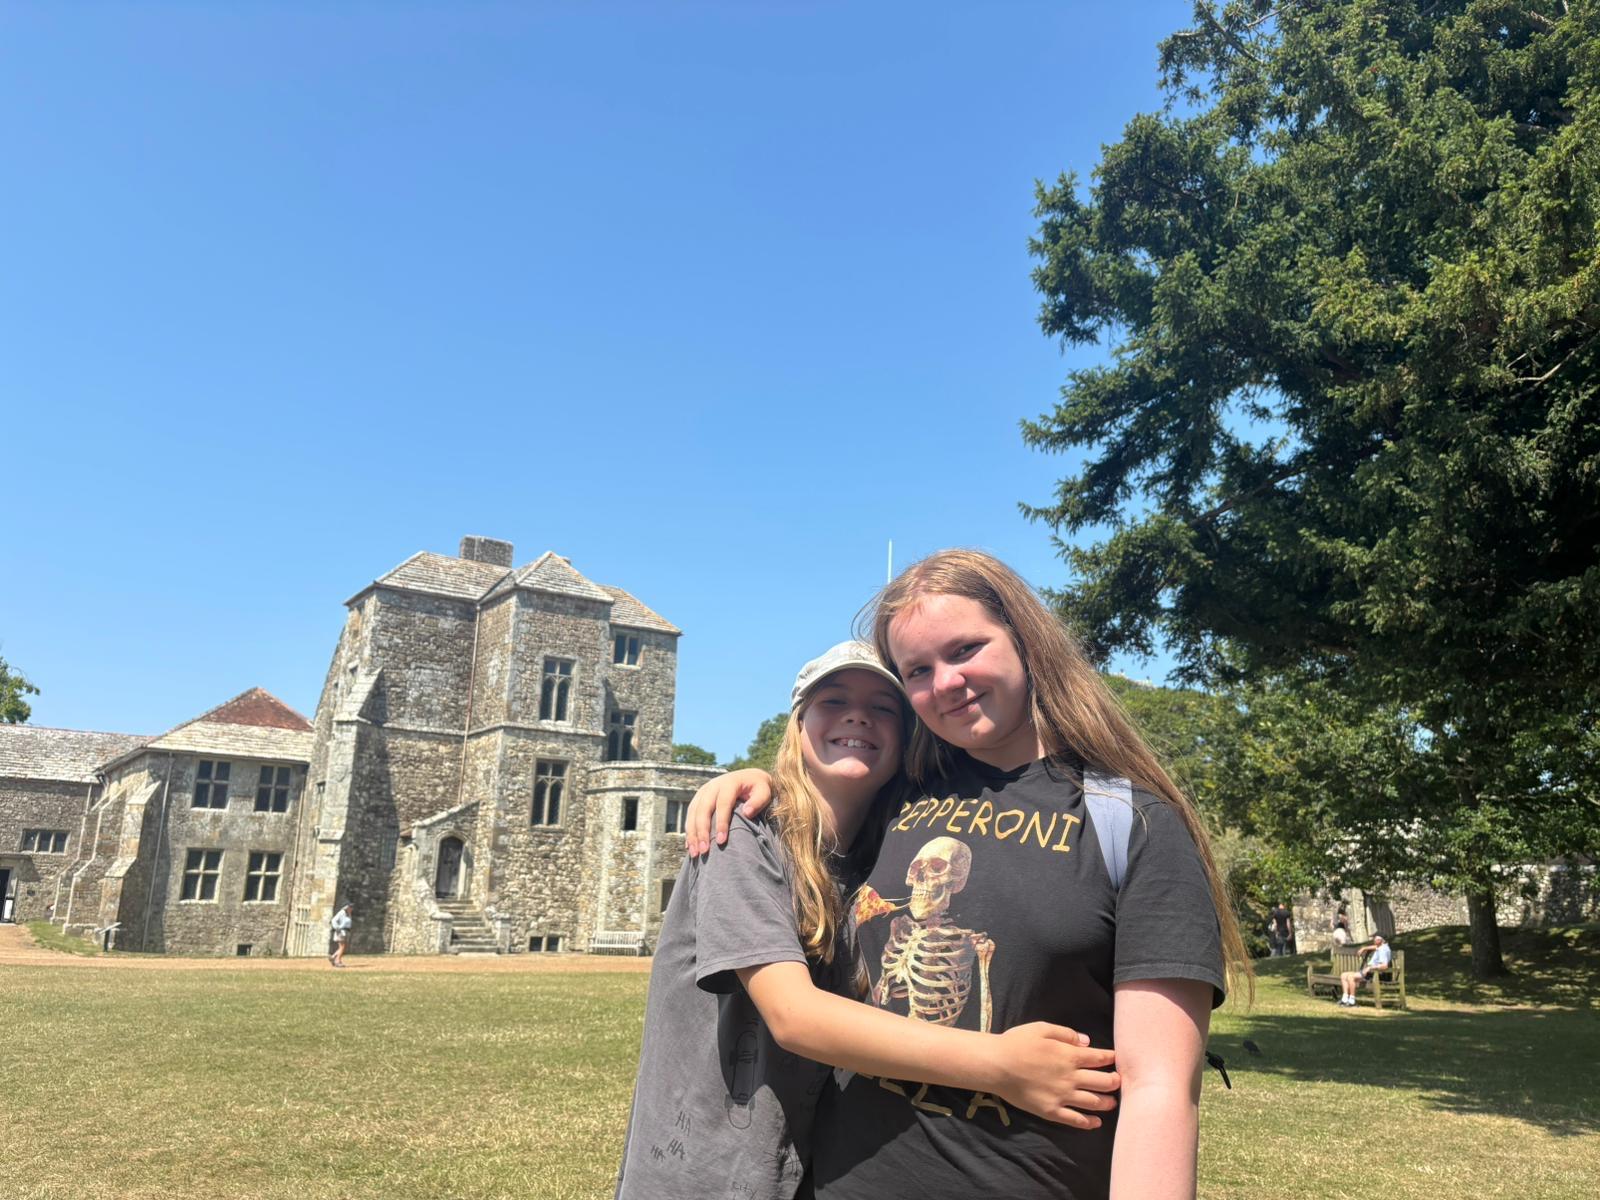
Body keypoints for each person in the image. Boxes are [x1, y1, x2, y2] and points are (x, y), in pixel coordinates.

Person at [688, 551, 1252, 1200]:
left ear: (1026, 640)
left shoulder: (1130, 824)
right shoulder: (898, 797)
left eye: (965, 650)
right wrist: (760, 780)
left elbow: (1160, 1090)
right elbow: (823, 803)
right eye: (918, 671)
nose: (947, 683)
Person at [616, 641, 1121, 1200]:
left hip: (816, 1170)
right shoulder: (742, 834)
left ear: (907, 737)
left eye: (883, 707)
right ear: (798, 725)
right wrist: (1003, 1065)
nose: (857, 716)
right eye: (833, 700)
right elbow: (794, 1016)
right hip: (702, 1175)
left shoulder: (885, 856)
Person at [1338, 933, 1392, 1007]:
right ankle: (1345, 999)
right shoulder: (1381, 947)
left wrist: (1370, 968)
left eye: (1376, 939)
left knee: (1350, 977)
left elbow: (1384, 966)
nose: (1374, 940)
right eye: (1374, 938)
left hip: (1376, 975)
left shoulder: (1383, 950)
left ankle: (1352, 1001)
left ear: (1382, 941)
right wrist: (1364, 948)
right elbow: (1375, 947)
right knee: (1343, 975)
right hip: (1371, 973)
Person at [330, 902, 353, 968]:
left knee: (342, 947)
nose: (351, 909)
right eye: (350, 907)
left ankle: (333, 957)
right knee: (342, 947)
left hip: (344, 932)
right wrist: (337, 928)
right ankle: (337, 961)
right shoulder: (342, 913)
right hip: (340, 932)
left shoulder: (347, 914)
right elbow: (333, 920)